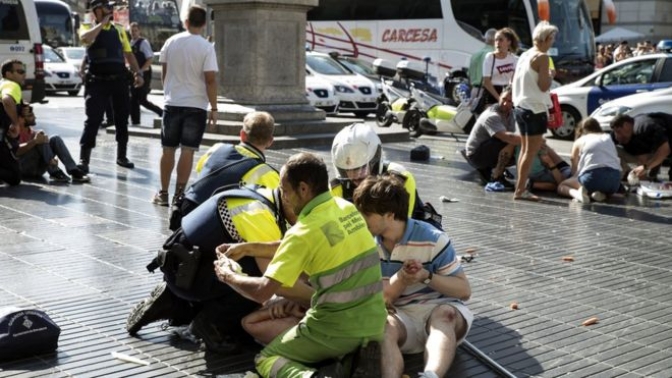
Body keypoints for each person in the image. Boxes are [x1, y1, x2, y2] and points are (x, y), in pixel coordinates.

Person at [214, 152, 387, 378]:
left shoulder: (302, 232)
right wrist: (249, 248)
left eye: (285, 191)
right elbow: (304, 244)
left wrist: (228, 275)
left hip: (336, 329)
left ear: (303, 189)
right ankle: (350, 360)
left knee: (266, 359)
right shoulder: (345, 208)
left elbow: (262, 292)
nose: (283, 197)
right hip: (375, 322)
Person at [127, 184, 312, 354]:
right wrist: (320, 301)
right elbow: (274, 282)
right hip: (189, 275)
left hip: (181, 267)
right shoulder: (260, 216)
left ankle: (172, 301)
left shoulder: (264, 194)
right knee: (254, 278)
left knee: (246, 260)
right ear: (289, 197)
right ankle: (210, 324)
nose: (304, 220)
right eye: (304, 212)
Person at [352, 175, 472, 378]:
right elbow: (383, 298)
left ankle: (431, 375)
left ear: (389, 215)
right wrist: (402, 278)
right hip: (401, 316)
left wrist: (426, 276)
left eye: (367, 213)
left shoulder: (433, 239)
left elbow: (464, 291)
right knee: (383, 327)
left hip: (438, 309)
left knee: (445, 315)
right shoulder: (367, 245)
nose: (360, 219)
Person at [165, 111, 279, 231]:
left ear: (242, 135)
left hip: (186, 215)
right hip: (214, 226)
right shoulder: (266, 173)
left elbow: (200, 168)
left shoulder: (216, 149)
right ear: (270, 141)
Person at [154, 5, 218, 206]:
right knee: (188, 150)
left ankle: (163, 193)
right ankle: (178, 195)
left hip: (172, 102)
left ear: (186, 22)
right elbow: (210, 80)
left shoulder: (171, 42)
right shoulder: (207, 47)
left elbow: (164, 73)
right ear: (205, 24)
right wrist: (214, 107)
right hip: (196, 105)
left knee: (168, 150)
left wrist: (169, 93)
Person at [331, 123, 443, 230]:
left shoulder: (400, 179)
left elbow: (399, 229)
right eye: (347, 170)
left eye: (360, 167)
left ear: (375, 159)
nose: (355, 175)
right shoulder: (337, 188)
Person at [78, 0, 145, 173]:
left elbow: (128, 54)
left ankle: (121, 156)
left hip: (119, 81)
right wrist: (101, 24)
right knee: (93, 120)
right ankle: (84, 159)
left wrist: (138, 73)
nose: (110, 10)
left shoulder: (119, 30)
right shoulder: (87, 27)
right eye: (107, 7)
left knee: (122, 119)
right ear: (97, 10)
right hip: (98, 82)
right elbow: (86, 39)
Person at [511, 21, 558, 201]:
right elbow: (543, 85)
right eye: (552, 39)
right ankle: (521, 190)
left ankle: (520, 187)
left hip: (521, 107)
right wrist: (551, 75)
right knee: (530, 153)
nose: (552, 42)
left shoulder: (525, 55)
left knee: (524, 150)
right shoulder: (543, 57)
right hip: (535, 109)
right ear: (546, 38)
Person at [16, 103, 90, 183]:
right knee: (40, 140)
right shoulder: (14, 132)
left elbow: (44, 149)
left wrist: (51, 157)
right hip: (24, 169)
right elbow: (16, 151)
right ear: (21, 119)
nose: (34, 117)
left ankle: (73, 170)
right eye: (30, 116)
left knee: (55, 138)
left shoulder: (33, 132)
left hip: (38, 168)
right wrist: (35, 141)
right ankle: (54, 171)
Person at [464, 86, 519, 186]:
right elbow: (507, 137)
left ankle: (498, 171)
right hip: (475, 155)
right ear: (499, 97)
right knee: (511, 141)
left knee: (518, 145)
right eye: (503, 99)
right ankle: (496, 174)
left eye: (510, 101)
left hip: (489, 148)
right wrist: (530, 141)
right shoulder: (492, 115)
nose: (505, 103)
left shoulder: (511, 114)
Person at [558, 118, 622, 203]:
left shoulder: (580, 140)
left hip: (592, 178)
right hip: (615, 181)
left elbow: (573, 159)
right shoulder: (608, 137)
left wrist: (574, 177)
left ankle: (578, 194)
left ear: (581, 130)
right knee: (601, 184)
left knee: (562, 186)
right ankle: (598, 194)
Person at [610, 113, 672, 182]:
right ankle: (627, 175)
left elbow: (665, 150)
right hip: (653, 150)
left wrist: (645, 167)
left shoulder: (646, 126)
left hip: (666, 143)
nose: (617, 136)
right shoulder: (617, 134)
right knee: (612, 149)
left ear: (626, 125)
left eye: (618, 132)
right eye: (615, 132)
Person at [129, 22, 163, 126]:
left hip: (144, 73)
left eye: (135, 30)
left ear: (139, 31)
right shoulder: (130, 43)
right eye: (132, 31)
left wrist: (141, 71)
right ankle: (135, 121)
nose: (133, 33)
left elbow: (150, 58)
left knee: (142, 99)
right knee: (133, 98)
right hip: (134, 74)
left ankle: (161, 112)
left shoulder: (143, 43)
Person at [480, 28, 519, 109]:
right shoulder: (490, 57)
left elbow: (514, 80)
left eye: (501, 40)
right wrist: (499, 98)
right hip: (492, 92)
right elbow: (486, 81)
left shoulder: (514, 59)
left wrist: (507, 96)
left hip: (507, 93)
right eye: (496, 40)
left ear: (509, 42)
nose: (497, 43)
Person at [0, 59, 25, 186]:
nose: (24, 75)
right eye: (20, 71)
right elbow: (7, 100)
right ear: (8, 74)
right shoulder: (12, 85)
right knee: (14, 177)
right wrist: (15, 123)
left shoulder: (2, 84)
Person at [468, 28, 496, 99]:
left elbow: (469, 75)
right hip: (489, 93)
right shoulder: (494, 55)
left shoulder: (475, 54)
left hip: (474, 91)